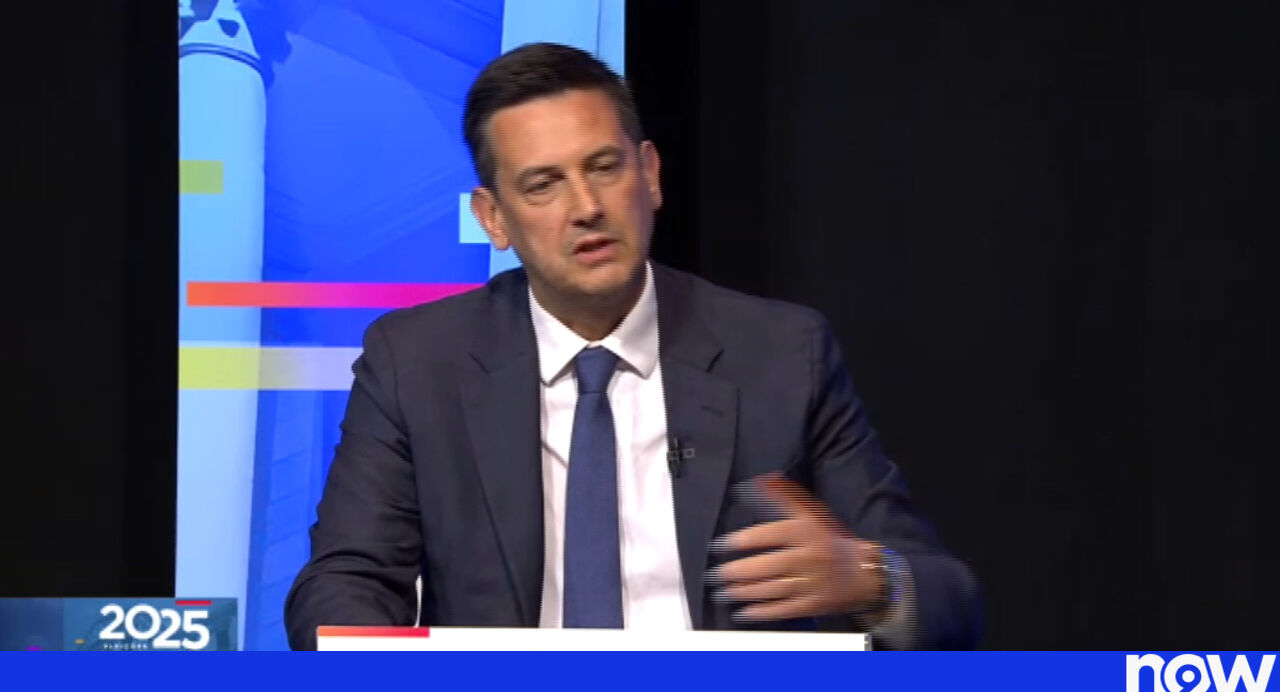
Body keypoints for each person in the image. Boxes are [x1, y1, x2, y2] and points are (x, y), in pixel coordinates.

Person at [285, 42, 980, 650]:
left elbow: (951, 603)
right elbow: (342, 583)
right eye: (544, 184)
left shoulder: (781, 353)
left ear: (650, 175)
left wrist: (870, 577)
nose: (586, 206)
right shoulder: (416, 362)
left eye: (604, 167)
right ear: (493, 219)